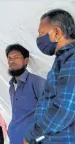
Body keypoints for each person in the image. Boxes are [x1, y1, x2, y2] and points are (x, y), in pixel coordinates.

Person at [24, 9, 75, 143]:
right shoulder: (63, 60)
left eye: (41, 33)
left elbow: (65, 109)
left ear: (57, 33)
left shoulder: (72, 59)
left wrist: (32, 136)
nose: (39, 38)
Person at [5, 44, 46, 144]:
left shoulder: (37, 82)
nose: (11, 61)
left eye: (16, 57)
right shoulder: (11, 86)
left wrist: (36, 139)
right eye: (9, 58)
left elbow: (51, 114)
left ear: (26, 61)